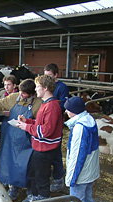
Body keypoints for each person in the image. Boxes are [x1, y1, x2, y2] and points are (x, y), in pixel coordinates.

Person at [0, 79, 42, 200]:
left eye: (24, 93)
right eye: (20, 91)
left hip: (27, 141)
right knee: (9, 163)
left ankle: (31, 191)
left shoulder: (38, 103)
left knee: (27, 165)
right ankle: (14, 187)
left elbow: (41, 122)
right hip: (10, 138)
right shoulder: (14, 97)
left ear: (31, 94)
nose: (21, 94)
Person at [16, 74, 63, 202]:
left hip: (45, 149)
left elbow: (46, 131)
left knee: (42, 180)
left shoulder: (52, 106)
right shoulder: (45, 103)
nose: (36, 90)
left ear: (46, 88)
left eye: (37, 87)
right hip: (40, 148)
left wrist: (27, 127)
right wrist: (29, 121)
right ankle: (36, 201)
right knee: (35, 175)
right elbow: (40, 123)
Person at [58, 97, 101, 202]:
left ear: (74, 111)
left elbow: (77, 155)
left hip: (81, 173)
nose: (66, 111)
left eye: (68, 109)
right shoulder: (89, 120)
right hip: (90, 171)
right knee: (88, 200)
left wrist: (71, 178)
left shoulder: (79, 128)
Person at [44, 63, 69, 193]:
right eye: (45, 75)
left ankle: (59, 179)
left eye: (49, 75)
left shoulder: (62, 87)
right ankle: (49, 176)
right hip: (45, 123)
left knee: (56, 152)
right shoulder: (46, 86)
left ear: (56, 75)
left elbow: (63, 105)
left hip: (56, 124)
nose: (47, 78)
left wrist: (50, 108)